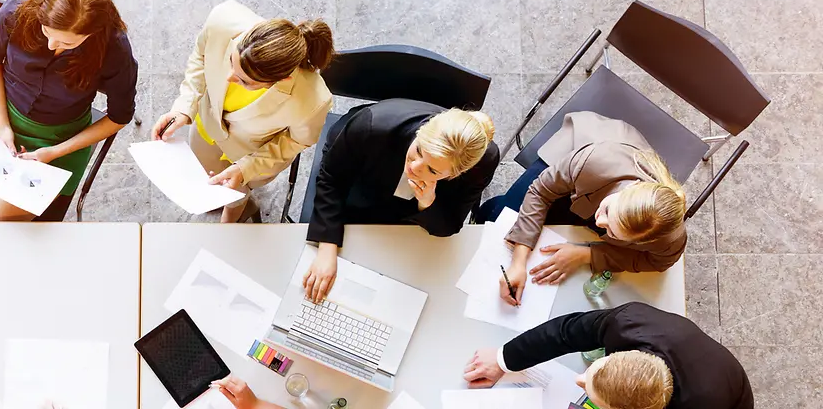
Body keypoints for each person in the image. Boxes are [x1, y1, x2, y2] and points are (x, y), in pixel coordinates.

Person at [151, 0, 334, 223]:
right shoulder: (223, 20)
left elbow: (295, 142)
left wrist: (246, 168)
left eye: (244, 80)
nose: (229, 77)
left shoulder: (313, 100)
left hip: (250, 153)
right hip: (206, 126)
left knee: (236, 190)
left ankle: (238, 208)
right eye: (230, 62)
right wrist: (184, 106)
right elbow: (201, 57)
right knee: (206, 171)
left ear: (281, 80)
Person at [0, 0, 138, 221]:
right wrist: (3, 126)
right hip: (3, 117)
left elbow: (120, 116)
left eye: (65, 42)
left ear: (92, 33)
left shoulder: (114, 49)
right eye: (47, 31)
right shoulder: (16, 12)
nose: (51, 45)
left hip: (61, 139)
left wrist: (56, 152)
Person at [302, 99, 499, 302]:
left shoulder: (482, 164)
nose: (415, 167)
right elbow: (332, 179)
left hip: (407, 212)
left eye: (432, 170)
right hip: (359, 171)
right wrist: (326, 248)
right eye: (419, 150)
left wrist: (427, 203)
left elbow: (449, 223)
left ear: (458, 173)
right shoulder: (371, 124)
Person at [494, 112, 686, 306]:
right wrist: (518, 261)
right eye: (609, 212)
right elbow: (541, 191)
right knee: (498, 213)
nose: (599, 223)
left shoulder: (669, 239)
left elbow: (658, 262)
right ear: (631, 186)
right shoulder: (594, 162)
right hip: (580, 153)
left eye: (613, 232)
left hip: (590, 192)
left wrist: (586, 255)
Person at [463, 302, 753, 409]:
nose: (579, 378)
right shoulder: (630, 322)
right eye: (593, 370)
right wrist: (504, 359)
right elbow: (566, 331)